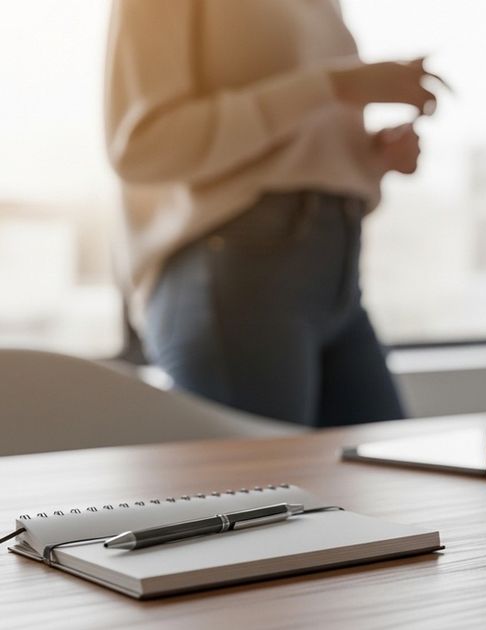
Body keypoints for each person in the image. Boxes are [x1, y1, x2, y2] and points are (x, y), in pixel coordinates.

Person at [106, 0, 442, 426]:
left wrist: (366, 159)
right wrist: (335, 85)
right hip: (239, 270)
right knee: (264, 468)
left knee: (385, 462)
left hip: (337, 271)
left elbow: (288, 153)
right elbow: (143, 146)